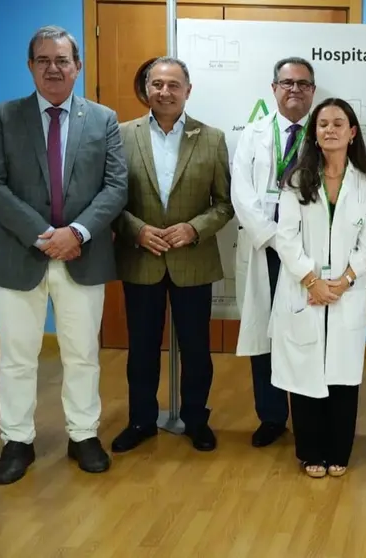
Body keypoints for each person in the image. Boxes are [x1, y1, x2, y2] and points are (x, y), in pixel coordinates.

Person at [0, 26, 128, 485]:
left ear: (77, 66)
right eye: (43, 60)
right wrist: (44, 234)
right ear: (30, 67)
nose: (53, 68)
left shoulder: (103, 119)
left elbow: (116, 186)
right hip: (18, 254)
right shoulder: (3, 117)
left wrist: (77, 232)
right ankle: (16, 441)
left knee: (82, 354)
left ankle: (83, 435)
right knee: (17, 355)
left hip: (84, 255)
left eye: (62, 60)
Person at [110, 57, 234, 453]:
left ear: (188, 90)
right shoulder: (121, 134)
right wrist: (137, 230)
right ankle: (141, 420)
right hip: (141, 257)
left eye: (173, 85)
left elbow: (225, 203)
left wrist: (193, 229)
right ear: (146, 89)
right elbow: (109, 199)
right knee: (142, 348)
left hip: (192, 260)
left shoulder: (211, 138)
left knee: (198, 349)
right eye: (157, 84)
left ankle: (197, 420)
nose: (164, 92)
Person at [271, 98, 366, 478]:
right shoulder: (296, 180)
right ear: (314, 135)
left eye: (338, 123)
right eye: (322, 125)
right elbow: (285, 237)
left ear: (352, 133)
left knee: (342, 373)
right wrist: (311, 280)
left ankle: (339, 451)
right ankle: (310, 451)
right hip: (306, 289)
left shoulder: (365, 184)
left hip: (346, 290)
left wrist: (348, 278)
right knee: (305, 374)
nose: (330, 130)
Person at [232, 57, 316, 448]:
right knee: (263, 334)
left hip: (305, 252)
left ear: (312, 91)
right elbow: (241, 193)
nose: (294, 89)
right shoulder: (253, 133)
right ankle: (270, 416)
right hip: (264, 246)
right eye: (287, 83)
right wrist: (271, 236)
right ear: (274, 88)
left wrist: (293, 245)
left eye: (302, 83)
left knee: (302, 333)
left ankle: (306, 415)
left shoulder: (324, 130)